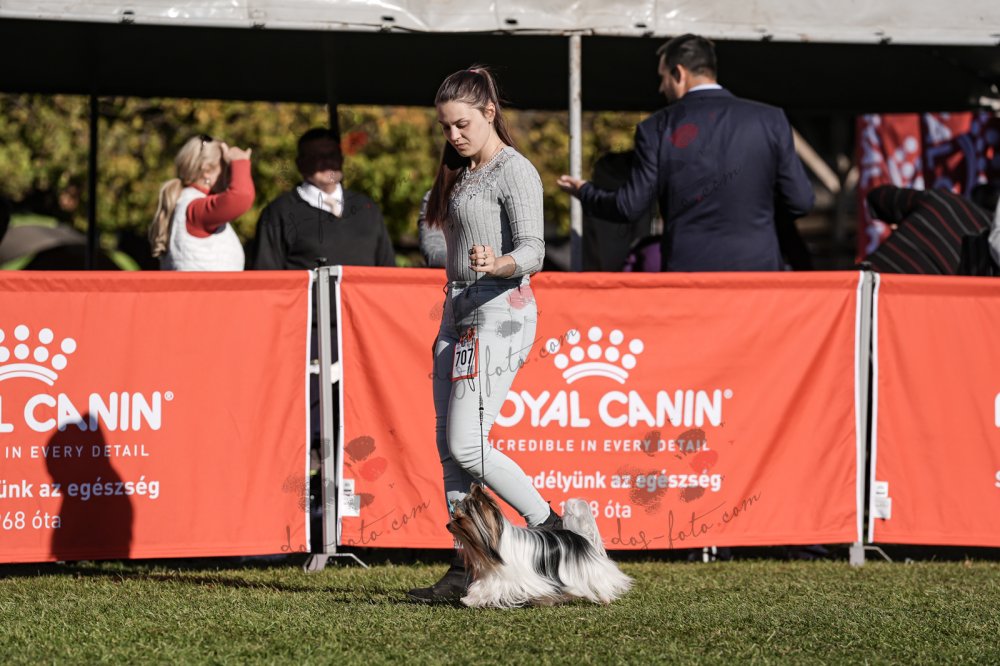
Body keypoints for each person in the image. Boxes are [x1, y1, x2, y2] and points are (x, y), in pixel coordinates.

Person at [406, 66, 558, 604]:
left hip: (500, 312)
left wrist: (499, 263)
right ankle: (464, 566)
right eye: (445, 127)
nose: (453, 136)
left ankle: (551, 530)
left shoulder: (515, 170)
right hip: (455, 313)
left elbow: (535, 250)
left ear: (490, 112)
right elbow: (438, 239)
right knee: (449, 450)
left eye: (462, 124)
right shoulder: (459, 172)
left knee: (467, 443)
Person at [557, 33, 814, 271]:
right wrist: (756, 215)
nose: (661, 88)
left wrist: (585, 192)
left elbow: (629, 207)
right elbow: (801, 201)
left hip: (689, 273)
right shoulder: (770, 120)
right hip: (757, 270)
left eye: (663, 78)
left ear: (679, 73)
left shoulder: (656, 128)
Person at [250, 128, 395, 269]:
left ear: (341, 158)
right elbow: (266, 277)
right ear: (300, 163)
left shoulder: (367, 208)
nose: (327, 162)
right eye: (316, 156)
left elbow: (389, 272)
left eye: (332, 154)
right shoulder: (278, 214)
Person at [149, 135, 254, 270]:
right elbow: (241, 196)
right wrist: (240, 161)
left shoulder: (185, 202)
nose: (230, 174)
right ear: (207, 171)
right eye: (226, 166)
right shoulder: (196, 209)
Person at [862, 183, 999, 275]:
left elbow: (878, 198)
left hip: (859, 287)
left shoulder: (945, 202)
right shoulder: (983, 275)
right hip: (900, 304)